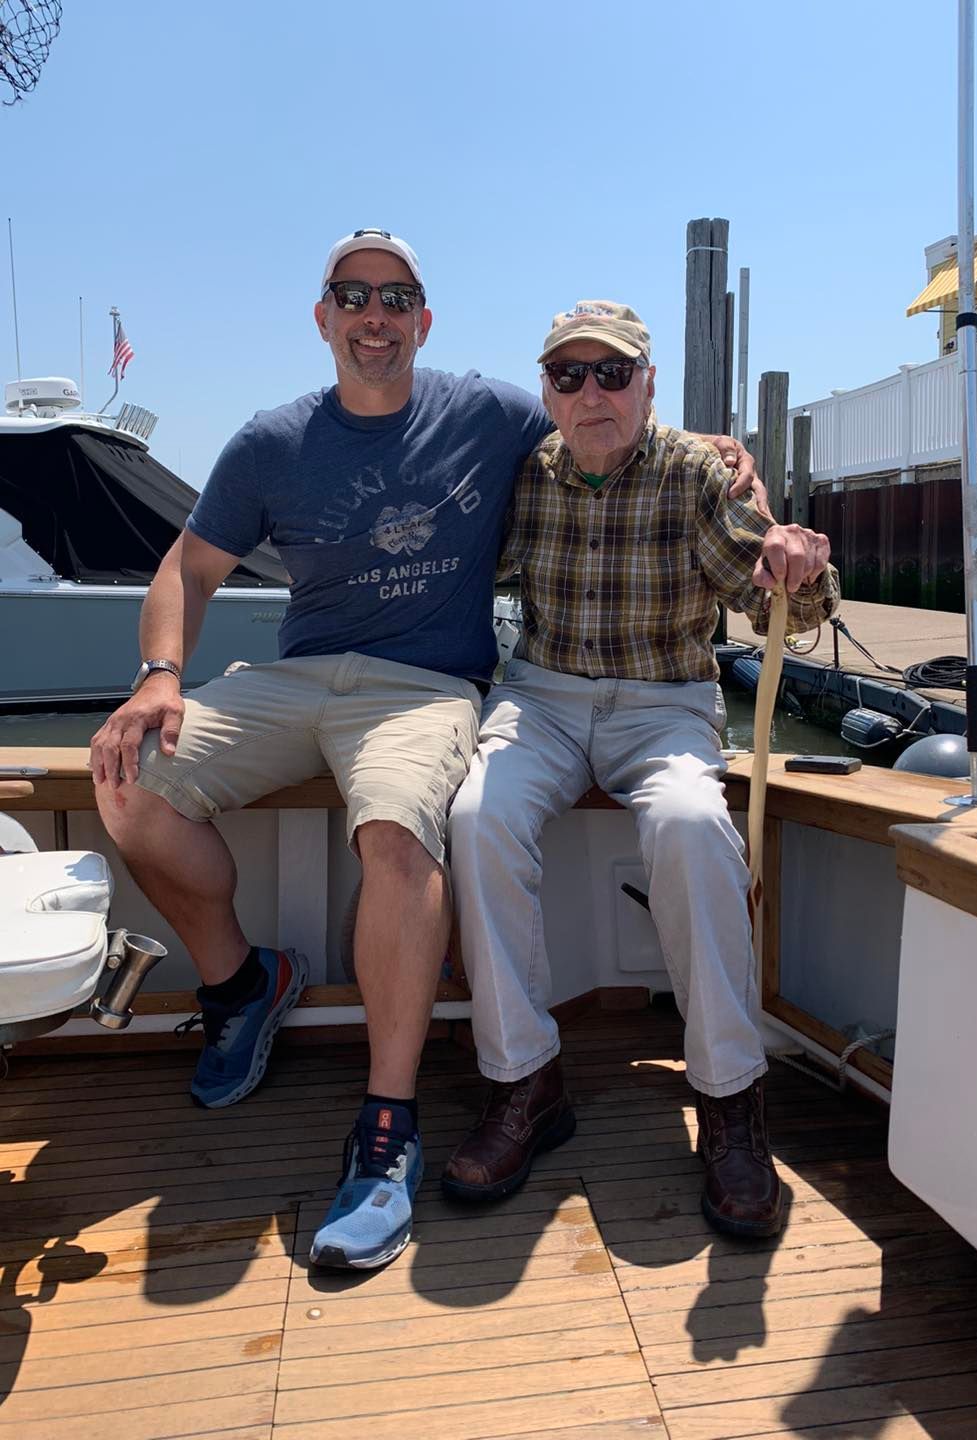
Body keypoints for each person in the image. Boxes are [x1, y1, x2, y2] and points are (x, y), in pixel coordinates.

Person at [89, 234, 764, 1271]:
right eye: (353, 296)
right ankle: (241, 985)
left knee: (414, 834)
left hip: (425, 691)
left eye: (396, 297)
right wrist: (159, 676)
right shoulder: (271, 441)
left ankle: (392, 1125)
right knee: (130, 784)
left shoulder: (485, 412)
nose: (375, 314)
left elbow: (629, 439)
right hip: (303, 674)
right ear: (323, 318)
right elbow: (189, 566)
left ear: (424, 321)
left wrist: (716, 451)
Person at [443, 300, 838, 1237]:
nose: (592, 394)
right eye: (570, 376)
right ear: (546, 390)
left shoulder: (697, 474)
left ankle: (732, 1100)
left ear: (648, 385)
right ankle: (524, 1079)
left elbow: (781, 594)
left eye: (613, 374)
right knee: (476, 820)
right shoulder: (524, 474)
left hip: (663, 704)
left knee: (695, 827)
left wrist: (797, 561)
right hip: (541, 697)